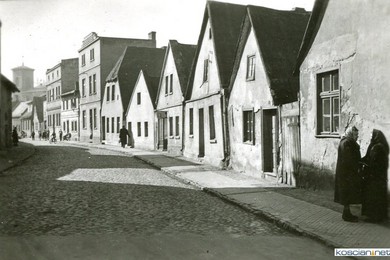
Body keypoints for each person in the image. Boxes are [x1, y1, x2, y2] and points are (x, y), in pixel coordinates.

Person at [334, 126, 362, 222]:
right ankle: (346, 215)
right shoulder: (347, 143)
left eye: (357, 135)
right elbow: (349, 159)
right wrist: (357, 166)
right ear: (351, 133)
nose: (357, 136)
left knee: (347, 194)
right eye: (356, 134)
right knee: (347, 194)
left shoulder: (347, 141)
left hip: (346, 173)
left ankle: (347, 213)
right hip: (347, 174)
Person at [361, 129, 389, 223]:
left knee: (375, 196)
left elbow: (377, 163)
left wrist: (369, 167)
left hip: (376, 176)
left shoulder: (379, 147)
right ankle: (373, 215)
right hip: (373, 176)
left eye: (371, 135)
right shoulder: (373, 145)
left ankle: (375, 217)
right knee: (372, 196)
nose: (370, 137)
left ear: (376, 136)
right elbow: (368, 157)